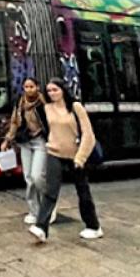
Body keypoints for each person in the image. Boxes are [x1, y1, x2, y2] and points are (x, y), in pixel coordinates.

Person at [29, 78, 102, 242]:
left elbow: (88, 135)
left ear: (63, 90)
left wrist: (81, 158)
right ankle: (41, 227)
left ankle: (93, 226)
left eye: (55, 90)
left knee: (83, 192)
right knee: (50, 191)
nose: (52, 93)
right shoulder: (46, 109)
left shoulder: (76, 107)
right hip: (54, 153)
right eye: (49, 91)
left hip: (76, 155)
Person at [2, 77, 49, 225]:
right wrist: (7, 140)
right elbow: (15, 122)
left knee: (37, 176)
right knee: (28, 177)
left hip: (40, 141)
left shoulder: (44, 103)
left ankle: (48, 204)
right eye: (26, 87)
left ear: (37, 87)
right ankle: (34, 211)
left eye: (31, 86)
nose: (29, 90)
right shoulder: (20, 102)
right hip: (25, 142)